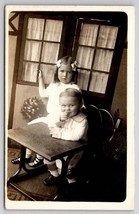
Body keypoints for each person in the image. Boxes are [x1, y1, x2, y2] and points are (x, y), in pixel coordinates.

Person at [11, 55, 81, 167]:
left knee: (44, 134)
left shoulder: (74, 88)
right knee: (29, 127)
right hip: (50, 117)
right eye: (62, 71)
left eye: (69, 72)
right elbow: (43, 93)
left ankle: (39, 157)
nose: (64, 75)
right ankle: (27, 156)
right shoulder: (54, 85)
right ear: (57, 71)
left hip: (62, 122)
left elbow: (78, 108)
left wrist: (62, 118)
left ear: (73, 73)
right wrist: (40, 79)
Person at [43, 88, 88, 186]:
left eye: (72, 105)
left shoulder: (82, 120)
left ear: (80, 105)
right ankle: (55, 175)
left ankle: (72, 181)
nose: (67, 109)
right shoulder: (61, 115)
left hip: (75, 148)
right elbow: (52, 126)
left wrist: (58, 131)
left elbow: (76, 136)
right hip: (61, 144)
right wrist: (59, 120)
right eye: (63, 105)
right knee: (47, 159)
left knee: (63, 167)